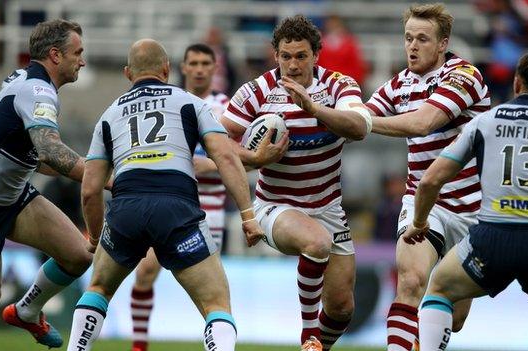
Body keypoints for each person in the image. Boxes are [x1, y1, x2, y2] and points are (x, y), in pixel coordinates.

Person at [66, 39, 264, 351]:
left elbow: (90, 189)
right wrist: (248, 216)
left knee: (99, 288)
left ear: (128, 73)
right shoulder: (191, 103)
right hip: (178, 210)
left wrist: (94, 237)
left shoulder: (110, 114)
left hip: (126, 209)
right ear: (167, 69)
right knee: (216, 304)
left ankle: (76, 348)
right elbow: (226, 158)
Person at [405, 50, 528, 351]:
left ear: (516, 83)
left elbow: (430, 180)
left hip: (491, 238)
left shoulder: (484, 122)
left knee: (439, 291)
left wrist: (419, 222)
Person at [220, 14, 372, 351]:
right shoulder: (256, 91)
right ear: (275, 55)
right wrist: (255, 160)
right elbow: (217, 142)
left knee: (342, 308)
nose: (292, 65)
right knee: (316, 243)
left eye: (301, 56)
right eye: (285, 56)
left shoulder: (337, 86)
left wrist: (314, 109)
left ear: (316, 55)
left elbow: (359, 128)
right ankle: (309, 337)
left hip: (329, 207)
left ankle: (318, 346)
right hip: (276, 205)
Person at [363, 4, 490, 350]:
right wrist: (323, 111)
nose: (413, 46)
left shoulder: (464, 76)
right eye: (408, 38)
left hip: (472, 210)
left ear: (442, 43)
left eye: (422, 38)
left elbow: (423, 122)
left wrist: (362, 121)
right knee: (411, 279)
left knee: (455, 318)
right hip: (423, 203)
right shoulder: (396, 85)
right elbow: (356, 120)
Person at [0, 19, 92, 348]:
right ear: (55, 55)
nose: (81, 61)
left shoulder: (31, 83)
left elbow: (38, 157)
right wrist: (106, 177)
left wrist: (91, 167)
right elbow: (52, 152)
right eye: (77, 53)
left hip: (13, 196)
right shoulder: (37, 90)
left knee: (78, 255)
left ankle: (27, 311)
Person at [129, 43, 230, 351]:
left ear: (214, 69)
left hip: (209, 209)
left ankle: (217, 343)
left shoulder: (228, 107)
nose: (199, 69)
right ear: (181, 67)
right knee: (145, 273)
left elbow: (236, 160)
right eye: (193, 63)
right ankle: (139, 345)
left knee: (209, 292)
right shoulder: (167, 102)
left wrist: (203, 165)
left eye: (205, 63)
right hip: (167, 203)